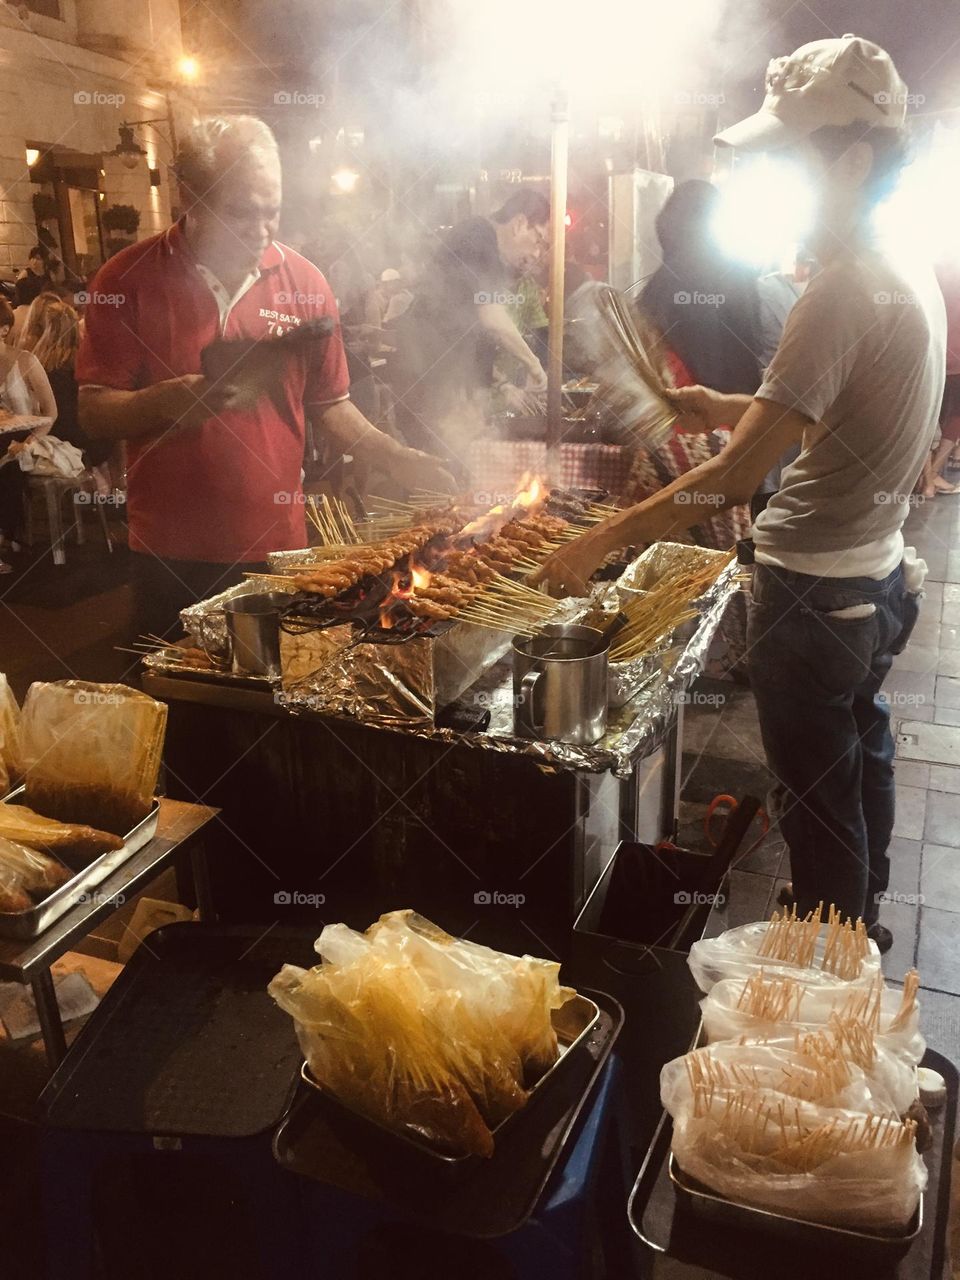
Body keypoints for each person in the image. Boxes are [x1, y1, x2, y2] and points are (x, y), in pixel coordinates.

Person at [535, 36, 945, 951]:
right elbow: (821, 412)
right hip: (872, 583)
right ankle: (862, 925)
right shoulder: (902, 267)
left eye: (786, 162)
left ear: (849, 160)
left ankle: (828, 959)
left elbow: (730, 476)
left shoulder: (839, 290)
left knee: (814, 797)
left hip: (811, 597)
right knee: (862, 753)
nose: (772, 184)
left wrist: (596, 545)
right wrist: (727, 403)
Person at [76, 116, 455, 638]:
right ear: (189, 197)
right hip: (169, 555)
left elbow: (331, 405)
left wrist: (399, 458)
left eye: (271, 210)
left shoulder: (306, 284)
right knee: (181, 707)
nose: (260, 230)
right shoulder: (125, 279)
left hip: (280, 549)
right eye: (239, 212)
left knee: (279, 704)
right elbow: (93, 411)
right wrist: (164, 401)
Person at [392, 190, 551, 461]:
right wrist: (535, 366)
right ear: (520, 224)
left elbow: (474, 327)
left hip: (446, 377)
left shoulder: (487, 248)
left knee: (462, 460)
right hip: (428, 376)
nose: (536, 252)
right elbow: (492, 316)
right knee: (440, 467)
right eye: (538, 239)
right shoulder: (478, 235)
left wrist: (500, 385)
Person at [636, 180, 763, 397]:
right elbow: (748, 355)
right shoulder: (737, 275)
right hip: (730, 414)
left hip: (670, 417)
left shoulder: (655, 288)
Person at [0, 297, 56, 571]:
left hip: (28, 438)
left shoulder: (25, 361)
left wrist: (28, 442)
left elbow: (50, 413)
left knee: (8, 462)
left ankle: (7, 535)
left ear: (4, 329)